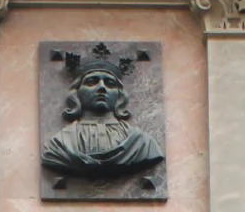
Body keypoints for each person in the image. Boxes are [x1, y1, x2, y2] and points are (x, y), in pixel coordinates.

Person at [41, 48, 164, 183]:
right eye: (91, 82)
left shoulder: (142, 143)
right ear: (77, 93)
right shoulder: (59, 145)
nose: (102, 87)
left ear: (120, 95)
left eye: (110, 84)